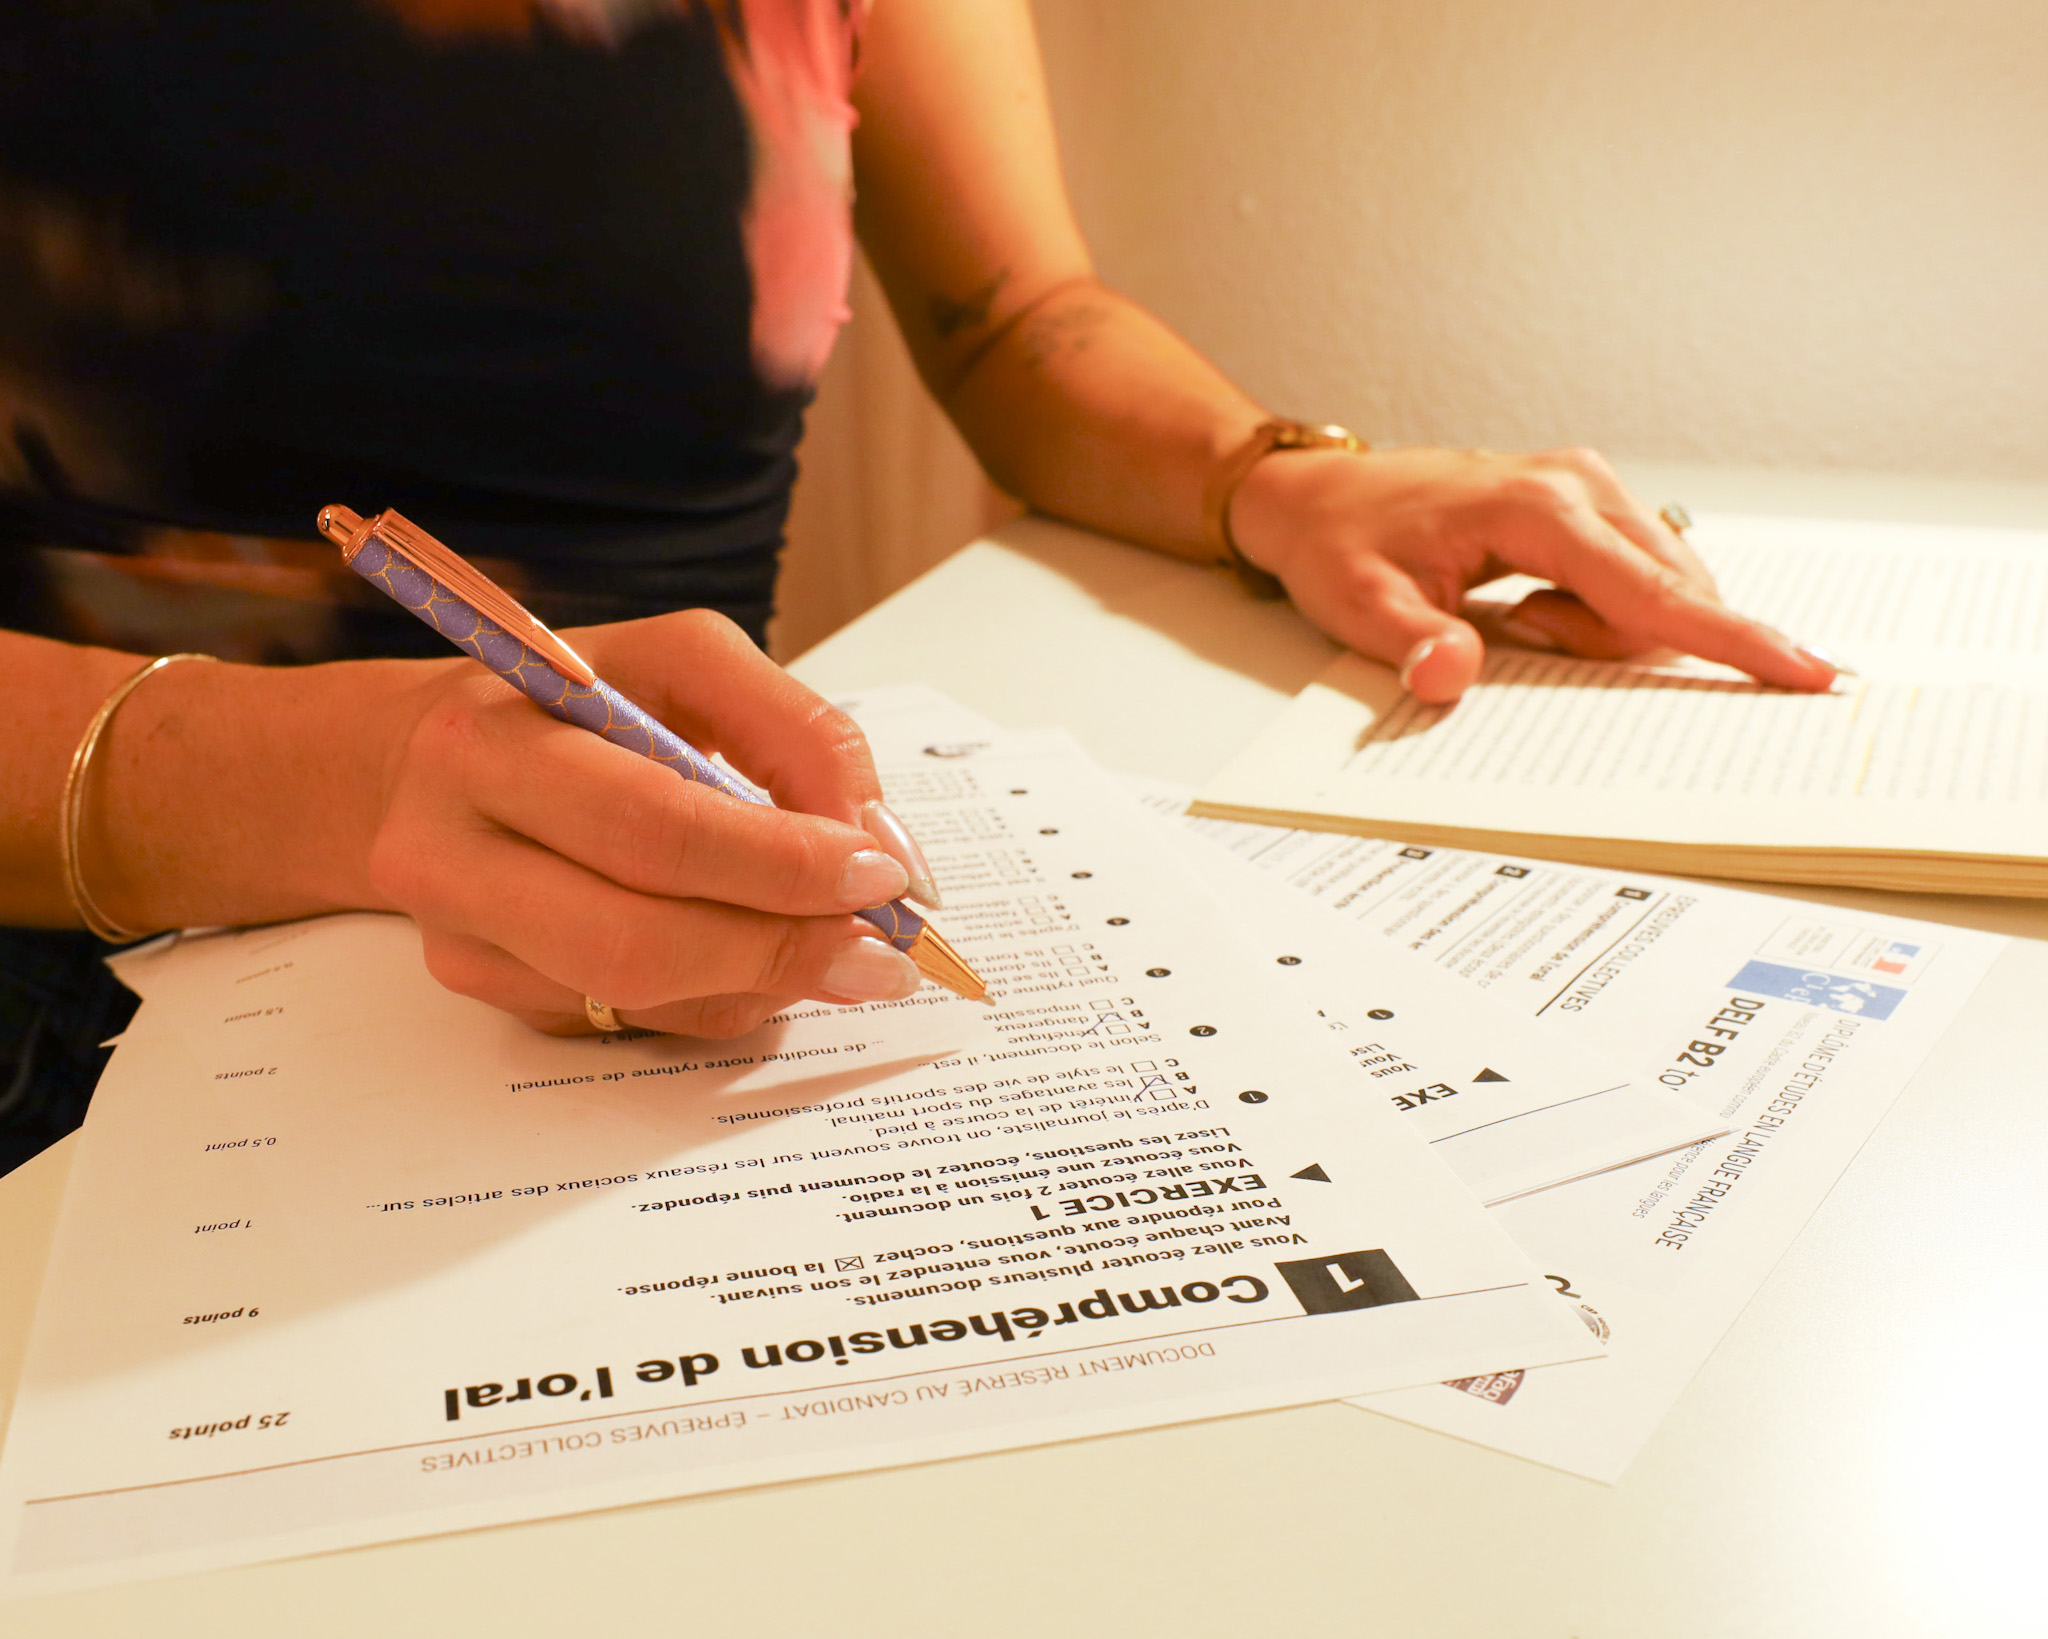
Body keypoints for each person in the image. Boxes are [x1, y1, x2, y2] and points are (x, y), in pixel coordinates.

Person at [0, 0, 1840, 1173]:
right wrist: (337, 778)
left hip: (658, 926)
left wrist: (1271, 476)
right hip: (75, 942)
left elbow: (1016, 315)